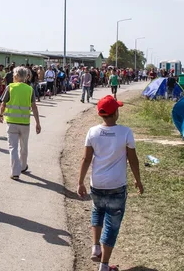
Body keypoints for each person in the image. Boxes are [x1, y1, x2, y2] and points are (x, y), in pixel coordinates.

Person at [77, 95, 143, 271]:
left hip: (97, 184)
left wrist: (80, 182)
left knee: (97, 211)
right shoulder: (126, 132)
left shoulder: (92, 132)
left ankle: (95, 247)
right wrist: (138, 180)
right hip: (116, 185)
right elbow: (133, 159)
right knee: (112, 225)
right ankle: (104, 266)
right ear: (115, 113)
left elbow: (85, 158)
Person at [0, 66, 42, 180]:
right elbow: (34, 107)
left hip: (12, 123)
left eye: (13, 75)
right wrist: (38, 123)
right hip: (25, 123)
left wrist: (1, 115)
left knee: (13, 148)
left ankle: (15, 172)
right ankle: (22, 166)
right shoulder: (29, 89)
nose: (12, 76)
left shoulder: (10, 87)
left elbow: (3, 104)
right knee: (24, 147)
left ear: (17, 76)